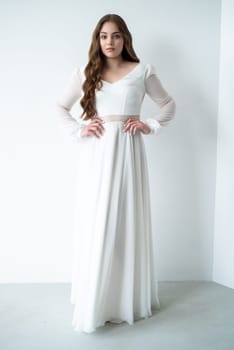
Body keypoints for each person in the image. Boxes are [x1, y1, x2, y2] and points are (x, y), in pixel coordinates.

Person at [56, 13, 176, 334]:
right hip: (97, 156)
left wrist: (148, 124)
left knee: (125, 221)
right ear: (97, 40)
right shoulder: (85, 72)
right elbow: (59, 107)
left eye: (116, 36)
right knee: (98, 220)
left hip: (129, 154)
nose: (110, 42)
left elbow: (168, 105)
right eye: (104, 36)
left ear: (126, 39)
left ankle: (124, 299)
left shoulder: (142, 72)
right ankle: (96, 296)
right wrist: (81, 128)